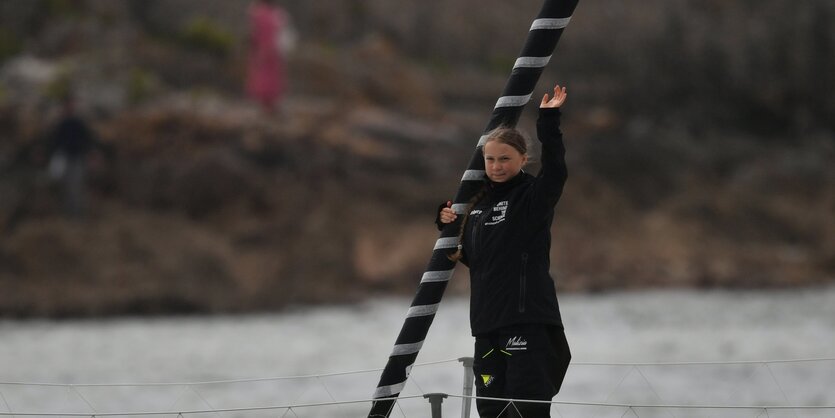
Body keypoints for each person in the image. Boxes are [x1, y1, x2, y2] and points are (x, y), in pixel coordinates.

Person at [437, 84, 572, 418]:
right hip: (486, 326)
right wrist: (447, 222)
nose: (496, 166)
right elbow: (478, 259)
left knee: (524, 412)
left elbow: (556, 171)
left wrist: (549, 120)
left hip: (527, 323)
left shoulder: (531, 198)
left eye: (505, 159)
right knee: (492, 413)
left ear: (523, 159)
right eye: (490, 159)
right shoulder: (478, 206)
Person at [246, 0, 291, 113]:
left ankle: (268, 104)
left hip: (266, 50)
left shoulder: (261, 13)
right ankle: (268, 104)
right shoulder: (275, 14)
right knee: (268, 76)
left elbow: (256, 34)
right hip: (271, 50)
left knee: (265, 76)